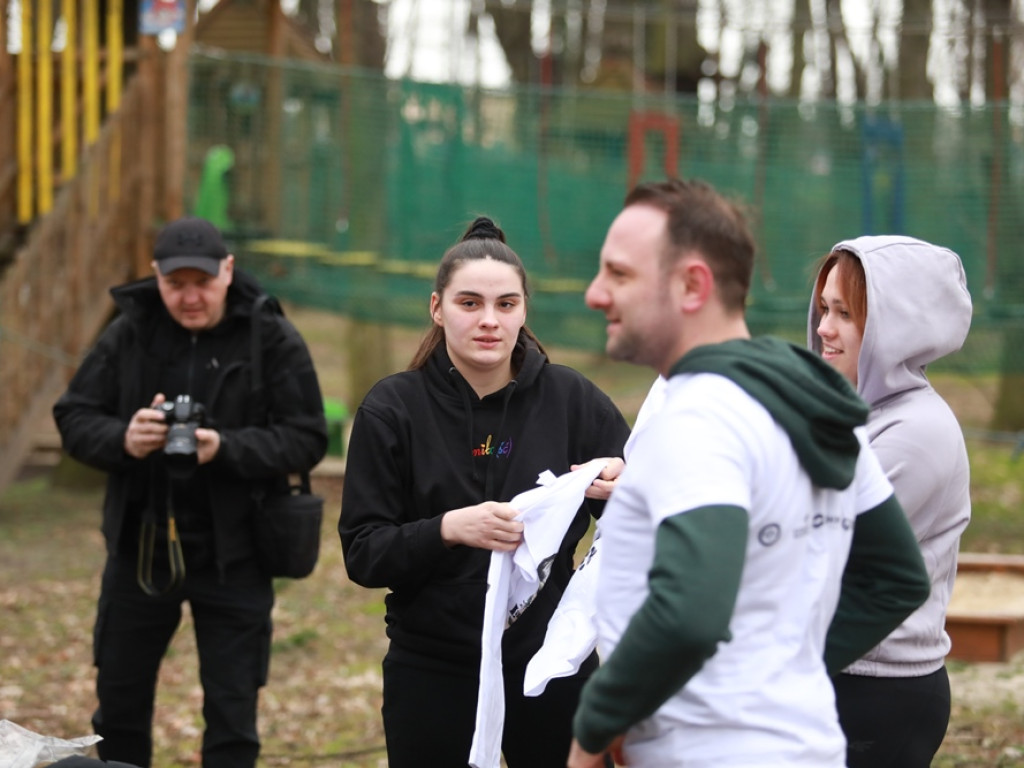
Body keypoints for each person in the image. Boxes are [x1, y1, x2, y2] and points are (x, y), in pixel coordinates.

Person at [569, 178, 932, 768]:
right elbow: (897, 578)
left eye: (619, 274)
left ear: (692, 285)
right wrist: (782, 668)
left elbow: (690, 609)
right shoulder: (814, 404)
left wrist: (594, 727)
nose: (594, 293)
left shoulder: (698, 418)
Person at [338, 216, 631, 768]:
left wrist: (620, 487)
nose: (489, 321)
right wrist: (449, 530)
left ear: (524, 310)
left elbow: (650, 500)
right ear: (436, 308)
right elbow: (363, 552)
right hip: (432, 664)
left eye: (506, 304)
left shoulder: (571, 398)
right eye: (469, 303)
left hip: (549, 661)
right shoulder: (392, 408)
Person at [53, 217, 328, 768]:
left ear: (227, 270)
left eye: (201, 281)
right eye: (175, 283)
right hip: (141, 546)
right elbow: (74, 415)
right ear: (155, 277)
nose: (189, 296)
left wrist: (223, 448)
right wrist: (124, 439)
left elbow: (307, 437)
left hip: (239, 551)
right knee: (118, 708)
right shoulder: (132, 329)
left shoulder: (267, 334)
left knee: (233, 714)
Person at [810, 236, 972, 767]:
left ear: (895, 325)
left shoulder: (916, 431)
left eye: (845, 314)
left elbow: (818, 547)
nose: (824, 329)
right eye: (824, 309)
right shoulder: (854, 412)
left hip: (877, 693)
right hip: (835, 672)